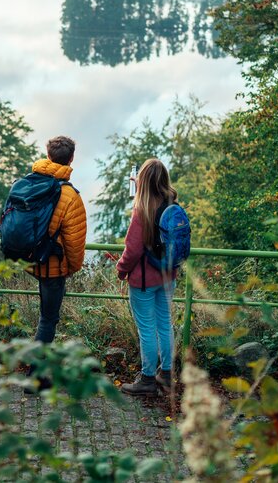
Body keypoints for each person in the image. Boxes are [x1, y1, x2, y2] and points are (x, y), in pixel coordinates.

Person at [115, 158, 178, 396]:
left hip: (143, 280)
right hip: (167, 275)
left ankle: (148, 380)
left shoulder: (141, 210)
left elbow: (132, 249)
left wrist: (121, 269)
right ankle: (168, 374)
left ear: (142, 181)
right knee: (165, 325)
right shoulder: (172, 203)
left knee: (147, 329)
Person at [28, 136, 87, 345]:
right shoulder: (71, 196)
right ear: (71, 159)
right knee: (48, 319)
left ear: (48, 157)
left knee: (45, 316)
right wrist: (72, 267)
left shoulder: (30, 184)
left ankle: (38, 370)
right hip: (52, 265)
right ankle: (37, 374)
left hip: (29, 258)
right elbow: (75, 241)